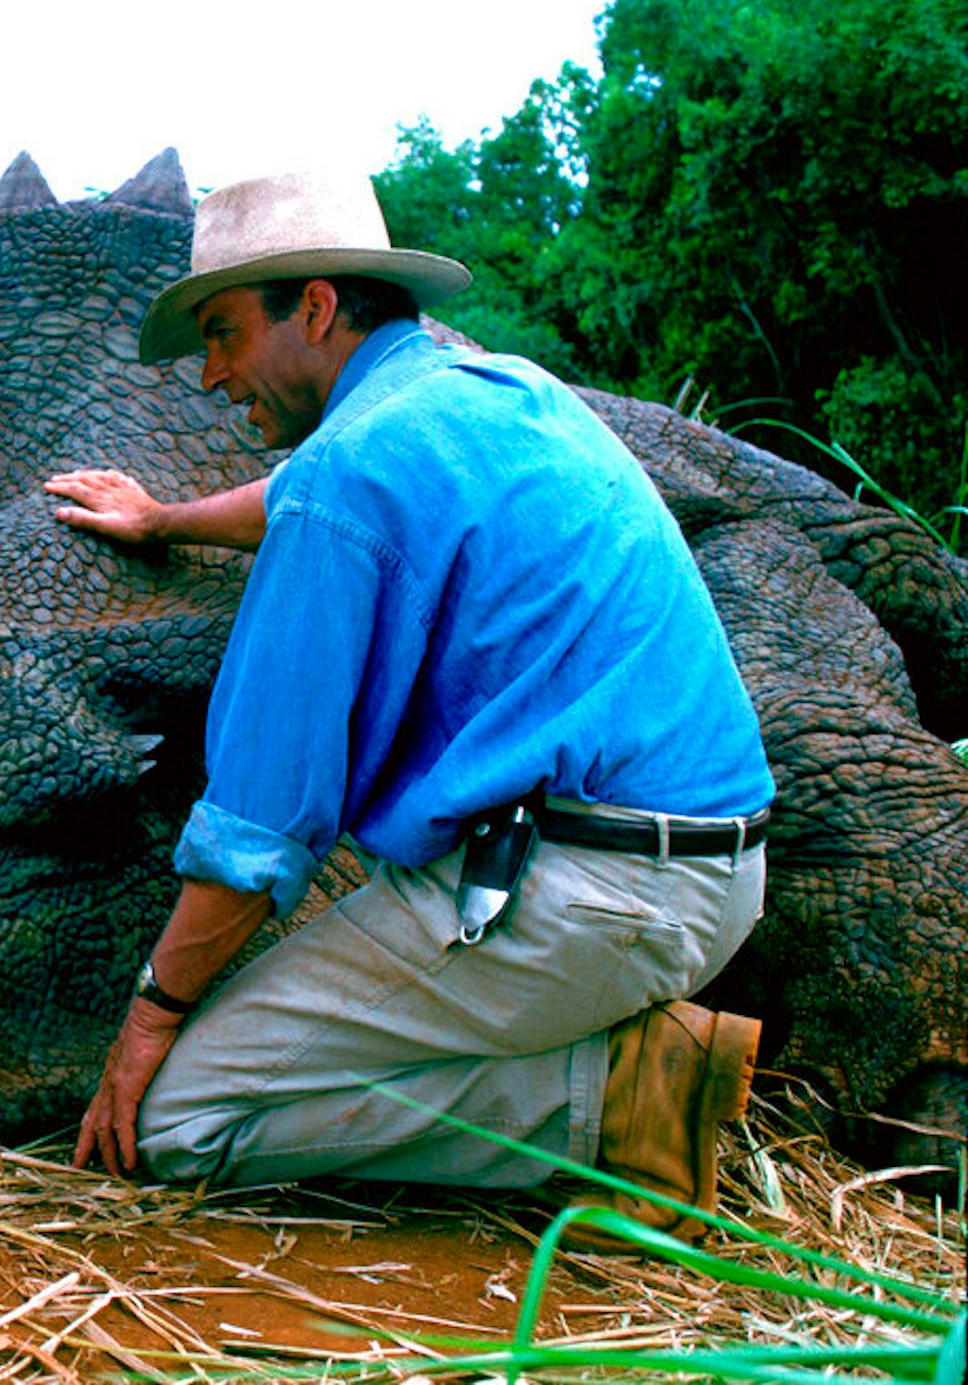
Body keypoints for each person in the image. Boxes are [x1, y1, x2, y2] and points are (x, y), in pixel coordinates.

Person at [47, 172, 775, 1246]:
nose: (210, 374)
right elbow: (318, 494)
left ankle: (611, 1100)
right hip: (714, 871)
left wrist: (149, 1017)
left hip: (594, 893)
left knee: (184, 1116)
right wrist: (166, 520)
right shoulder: (492, 391)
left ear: (318, 308)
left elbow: (258, 830)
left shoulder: (351, 472)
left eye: (223, 332)